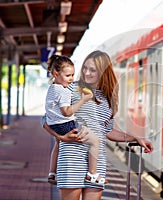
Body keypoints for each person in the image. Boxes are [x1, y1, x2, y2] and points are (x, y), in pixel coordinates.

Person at [42, 50, 153, 200]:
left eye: (92, 70)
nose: (87, 73)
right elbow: (46, 119)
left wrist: (135, 138)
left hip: (96, 163)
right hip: (71, 159)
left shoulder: (108, 99)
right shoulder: (70, 89)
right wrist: (61, 136)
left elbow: (107, 131)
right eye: (85, 68)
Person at [45, 55, 104, 186]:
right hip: (66, 125)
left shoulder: (52, 88)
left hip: (54, 124)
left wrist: (60, 136)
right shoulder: (64, 91)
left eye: (73, 75)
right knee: (95, 141)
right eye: (68, 75)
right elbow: (66, 112)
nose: (72, 79)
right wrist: (83, 100)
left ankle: (52, 172)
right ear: (56, 74)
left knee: (57, 144)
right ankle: (92, 174)